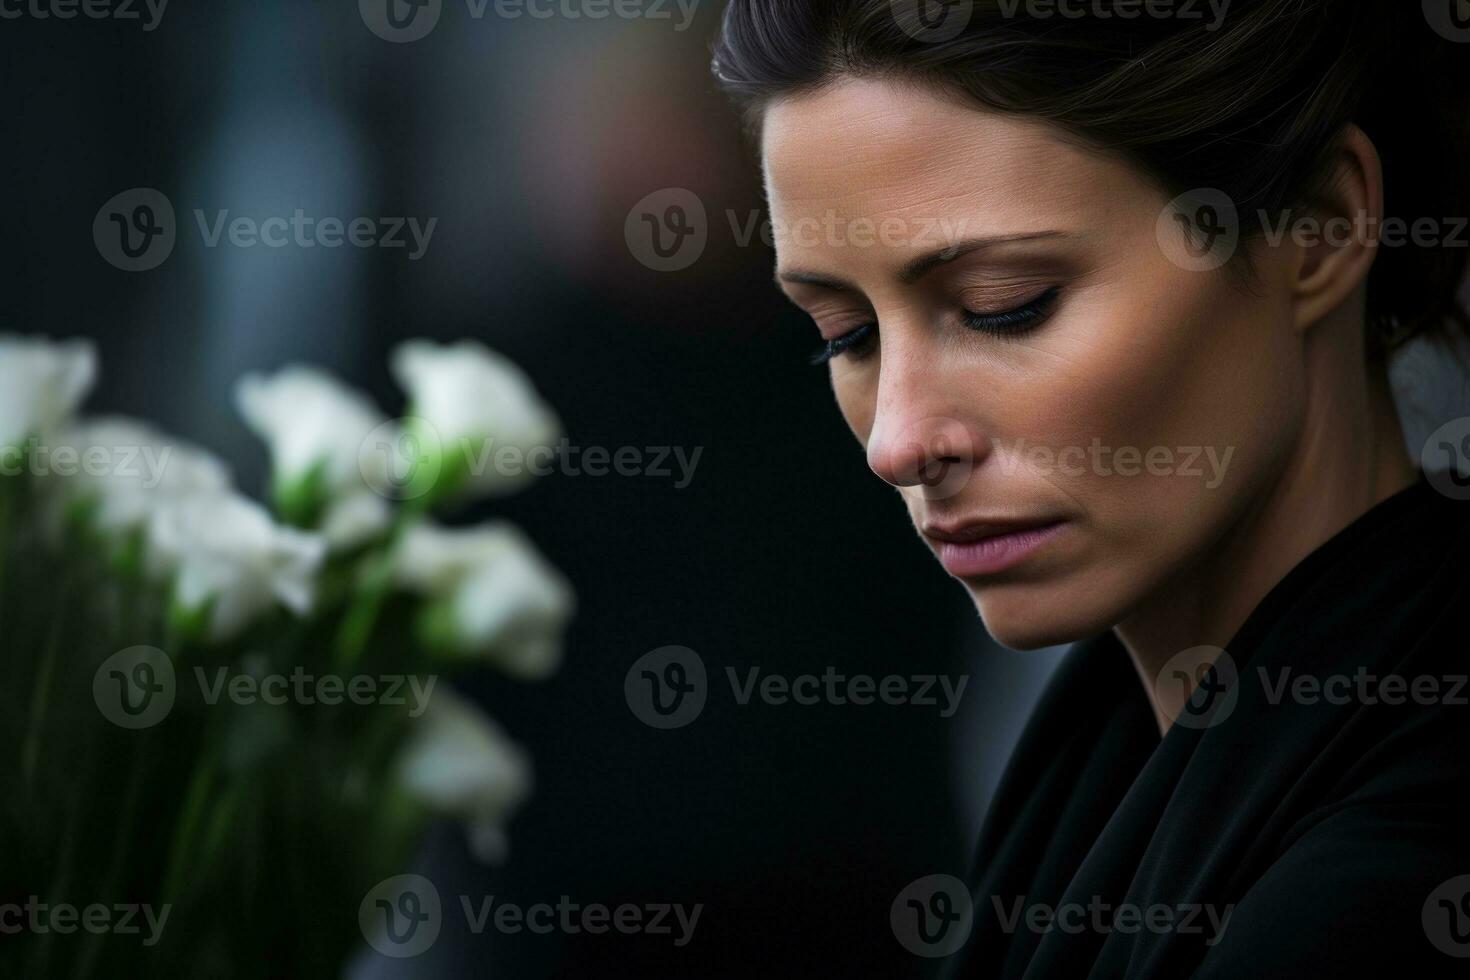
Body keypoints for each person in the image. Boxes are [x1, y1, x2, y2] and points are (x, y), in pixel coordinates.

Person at [712, 1, 1470, 975]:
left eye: (1007, 305)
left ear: (1318, 230)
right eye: (843, 334)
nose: (898, 440)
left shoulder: (1383, 885)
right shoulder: (1099, 777)